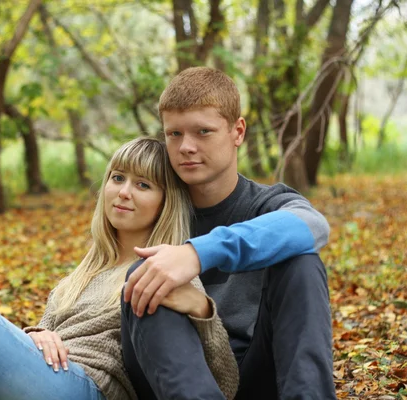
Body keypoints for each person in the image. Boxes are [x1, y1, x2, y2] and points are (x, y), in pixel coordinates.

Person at [0, 137, 239, 400]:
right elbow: (39, 340)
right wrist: (36, 334)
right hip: (42, 378)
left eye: (143, 185)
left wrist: (203, 311)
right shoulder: (78, 277)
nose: (124, 192)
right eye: (117, 178)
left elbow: (224, 383)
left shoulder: (166, 271)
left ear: (164, 204)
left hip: (83, 387)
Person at [121, 68, 336, 399]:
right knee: (147, 273)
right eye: (174, 134)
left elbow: (313, 225)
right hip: (169, 376)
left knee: (301, 263)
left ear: (238, 131)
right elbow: (94, 278)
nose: (185, 147)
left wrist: (197, 253)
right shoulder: (153, 204)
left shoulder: (266, 204)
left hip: (253, 374)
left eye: (203, 131)